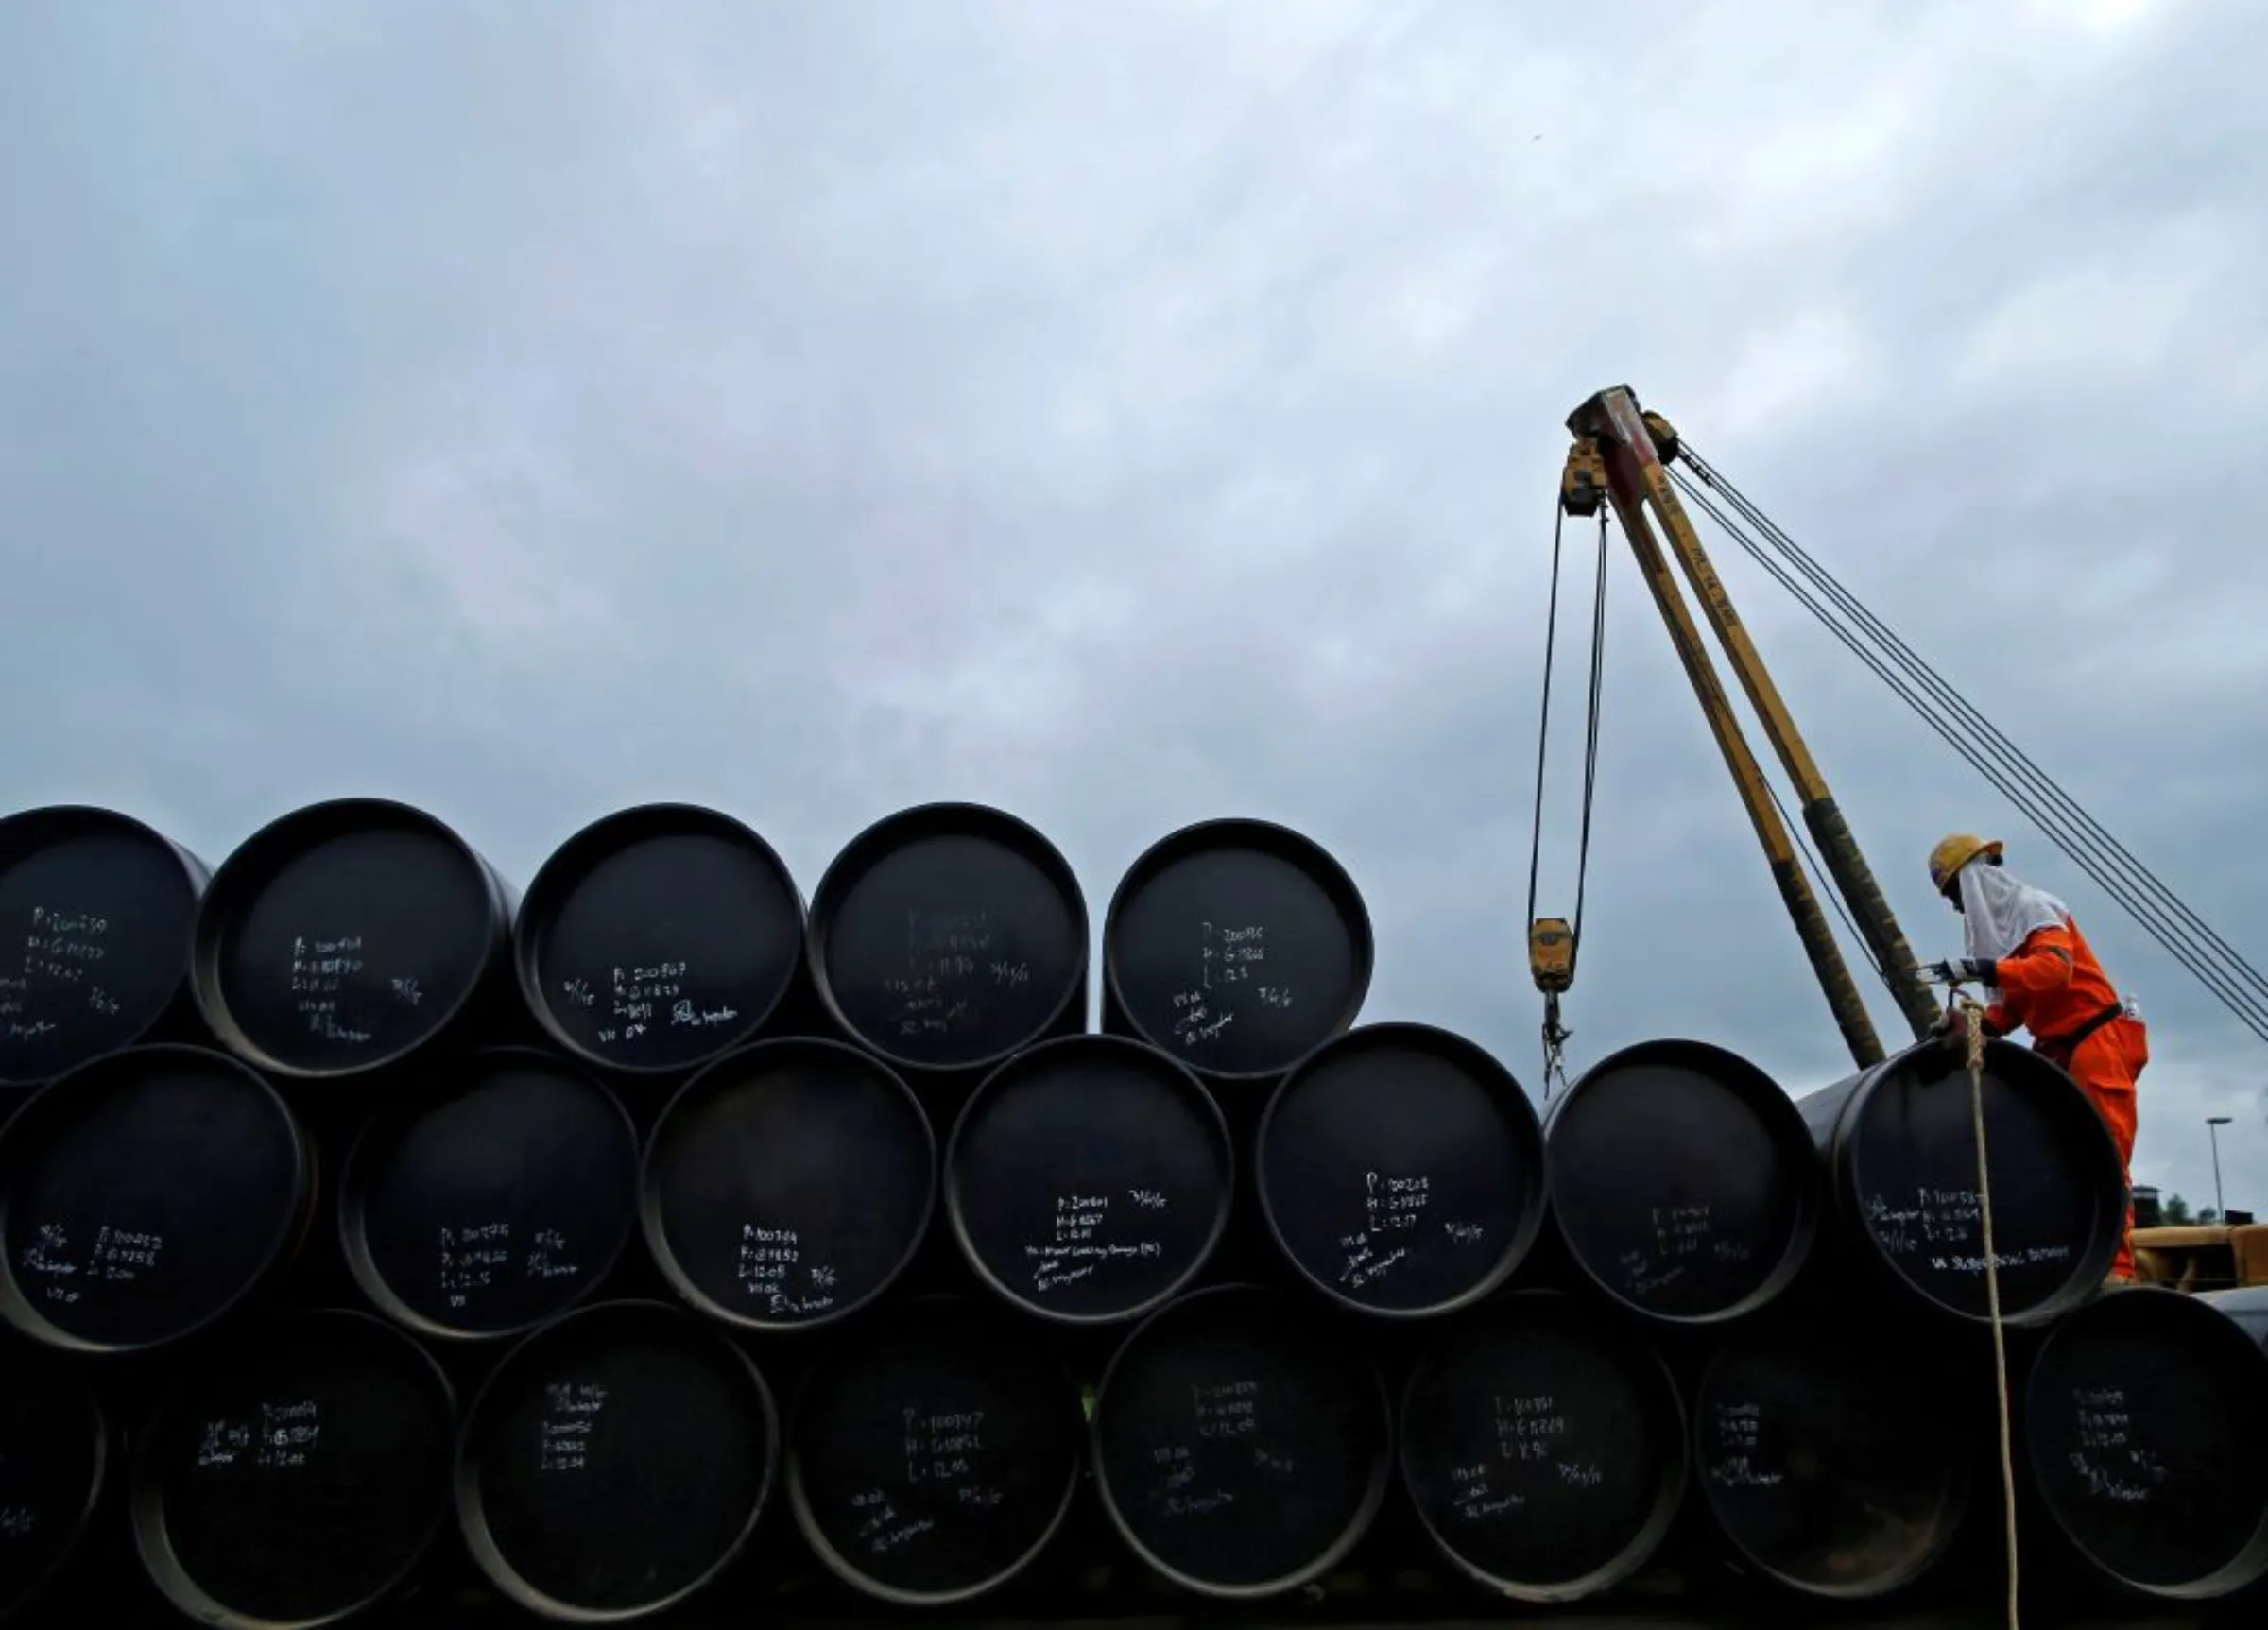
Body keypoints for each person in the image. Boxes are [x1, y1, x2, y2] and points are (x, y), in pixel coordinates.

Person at [1923, 833, 2149, 1282]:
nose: (1955, 908)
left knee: (2105, 1155)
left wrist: (1984, 969)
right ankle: (2077, 1261)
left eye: (1953, 895)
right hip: (2061, 1050)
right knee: (2064, 1159)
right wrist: (1971, 1026)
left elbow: (2053, 972)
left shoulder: (2033, 907)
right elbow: (2013, 1009)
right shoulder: (2007, 934)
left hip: (2095, 1043)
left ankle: (2118, 1273)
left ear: (1974, 881)